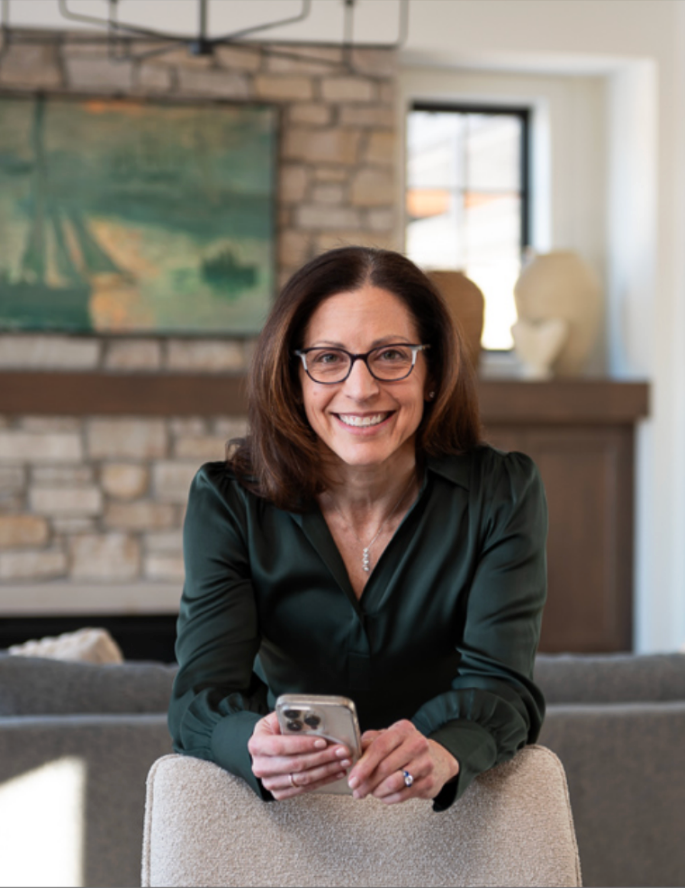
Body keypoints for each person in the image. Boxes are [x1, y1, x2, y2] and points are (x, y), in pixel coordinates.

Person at [168, 246, 547, 811]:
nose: (361, 387)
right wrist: (252, 744)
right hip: (289, 809)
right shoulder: (228, 502)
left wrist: (443, 746)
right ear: (294, 377)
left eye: (392, 355)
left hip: (447, 807)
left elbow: (503, 688)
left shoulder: (502, 493)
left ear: (433, 370)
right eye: (328, 359)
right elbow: (200, 699)